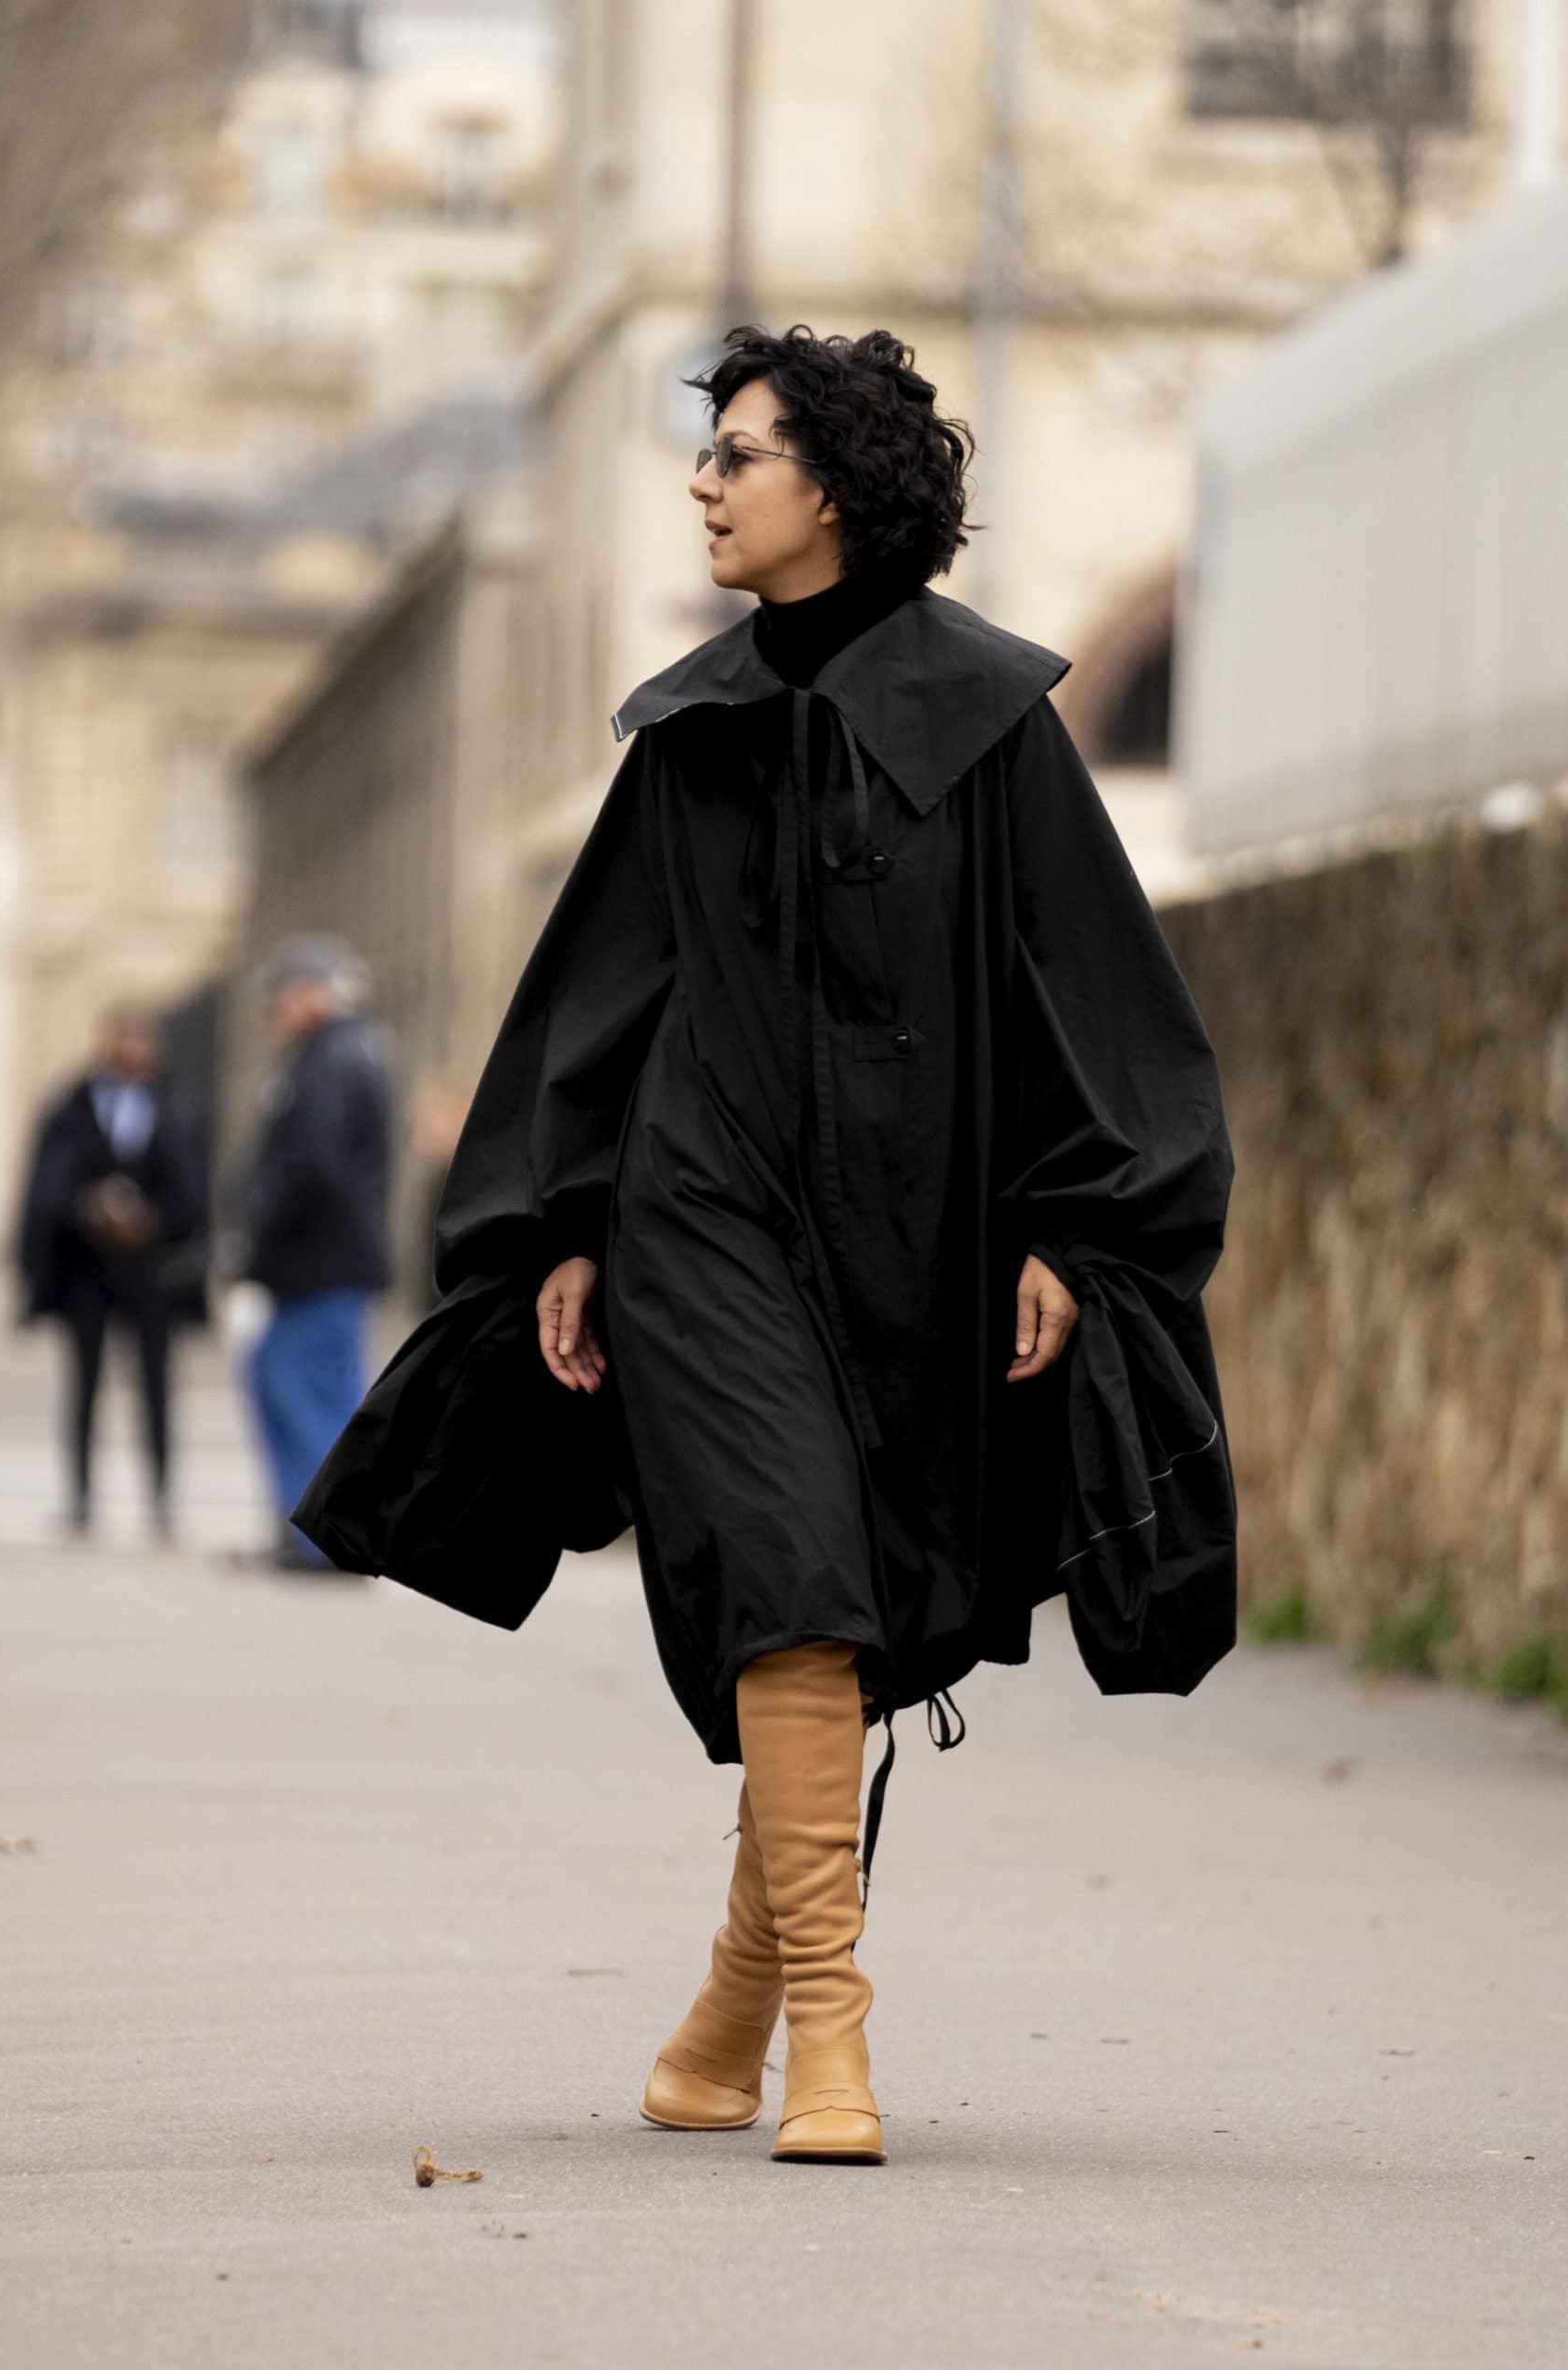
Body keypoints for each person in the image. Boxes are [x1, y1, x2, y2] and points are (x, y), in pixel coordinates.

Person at [293, 325, 1238, 2167]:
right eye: (708, 452)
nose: (703, 481)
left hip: (921, 1237)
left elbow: (1098, 997)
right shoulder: (685, 735)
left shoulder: (990, 726)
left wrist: (1072, 1225)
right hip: (697, 1221)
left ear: (841, 490)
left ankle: (728, 2008)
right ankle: (834, 2036)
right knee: (794, 1570)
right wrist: (566, 1226)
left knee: (859, 1597)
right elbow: (595, 1003)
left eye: (739, 453)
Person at [15, 1001, 208, 1539]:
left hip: (151, 1272)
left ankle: (162, 1496)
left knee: (156, 1386)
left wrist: (152, 1219)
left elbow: (193, 1187)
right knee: (84, 1385)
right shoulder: (71, 1105)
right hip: (86, 1270)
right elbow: (47, 1184)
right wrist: (88, 1209)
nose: (132, 1050)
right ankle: (80, 1497)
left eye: (141, 1039)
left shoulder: (177, 1105)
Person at [231, 935, 392, 1571]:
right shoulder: (347, 1053)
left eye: (283, 996)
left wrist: (255, 1228)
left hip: (319, 1260)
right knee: (290, 1380)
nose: (277, 1010)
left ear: (311, 994)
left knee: (306, 1390)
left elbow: (310, 1165)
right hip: (324, 1261)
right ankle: (309, 1532)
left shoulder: (330, 1059)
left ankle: (323, 1541)